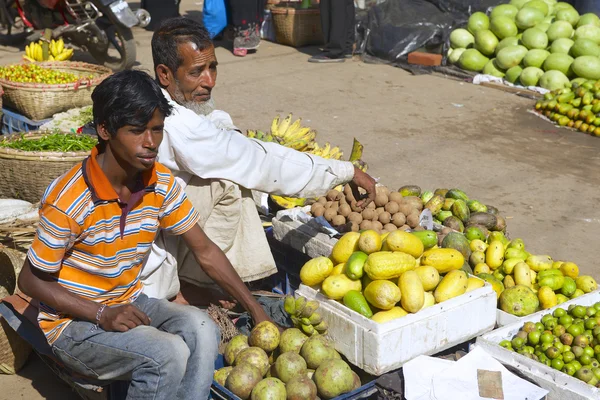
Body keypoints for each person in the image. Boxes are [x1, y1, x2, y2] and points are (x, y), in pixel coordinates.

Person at [17, 70, 272, 399]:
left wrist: (256, 310)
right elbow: (30, 281)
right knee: (167, 353)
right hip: (71, 324)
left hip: (128, 300)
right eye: (137, 131)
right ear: (105, 130)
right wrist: (101, 313)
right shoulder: (69, 198)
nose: (150, 143)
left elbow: (205, 250)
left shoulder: (160, 183)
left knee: (203, 329)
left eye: (157, 130)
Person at [141, 17, 376, 306]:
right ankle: (195, 286)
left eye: (212, 67)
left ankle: (203, 281)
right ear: (165, 74)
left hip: (158, 229)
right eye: (197, 72)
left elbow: (216, 129)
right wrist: (344, 171)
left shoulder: (159, 101)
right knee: (230, 181)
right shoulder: (177, 126)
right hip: (147, 263)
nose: (210, 81)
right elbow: (258, 162)